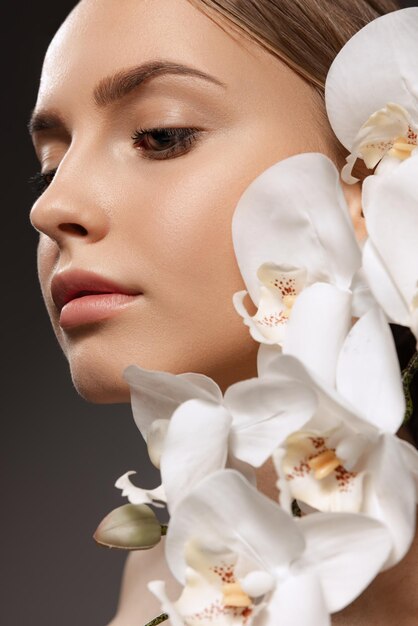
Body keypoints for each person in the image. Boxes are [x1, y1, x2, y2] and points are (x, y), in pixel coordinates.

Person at [28, 0, 418, 624]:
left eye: (161, 135)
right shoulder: (170, 572)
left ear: (375, 180)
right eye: (48, 165)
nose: (49, 208)